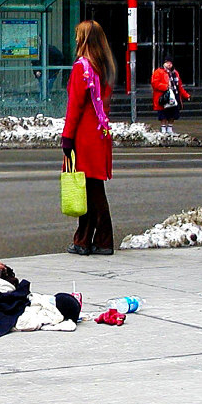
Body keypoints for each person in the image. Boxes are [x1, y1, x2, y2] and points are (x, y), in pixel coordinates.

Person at [61, 20, 116, 256]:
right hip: (100, 133)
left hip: (83, 135)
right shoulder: (104, 67)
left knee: (88, 190)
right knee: (93, 189)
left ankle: (99, 239)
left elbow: (75, 106)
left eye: (77, 35)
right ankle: (86, 239)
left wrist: (67, 136)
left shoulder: (81, 68)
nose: (75, 39)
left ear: (84, 39)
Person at [151, 56, 191, 134]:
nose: (169, 64)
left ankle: (169, 128)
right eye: (167, 63)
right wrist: (165, 87)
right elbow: (154, 84)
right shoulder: (158, 72)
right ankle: (163, 129)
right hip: (164, 96)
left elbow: (179, 86)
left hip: (174, 95)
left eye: (170, 63)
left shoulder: (175, 73)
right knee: (163, 113)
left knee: (172, 113)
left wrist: (186, 95)